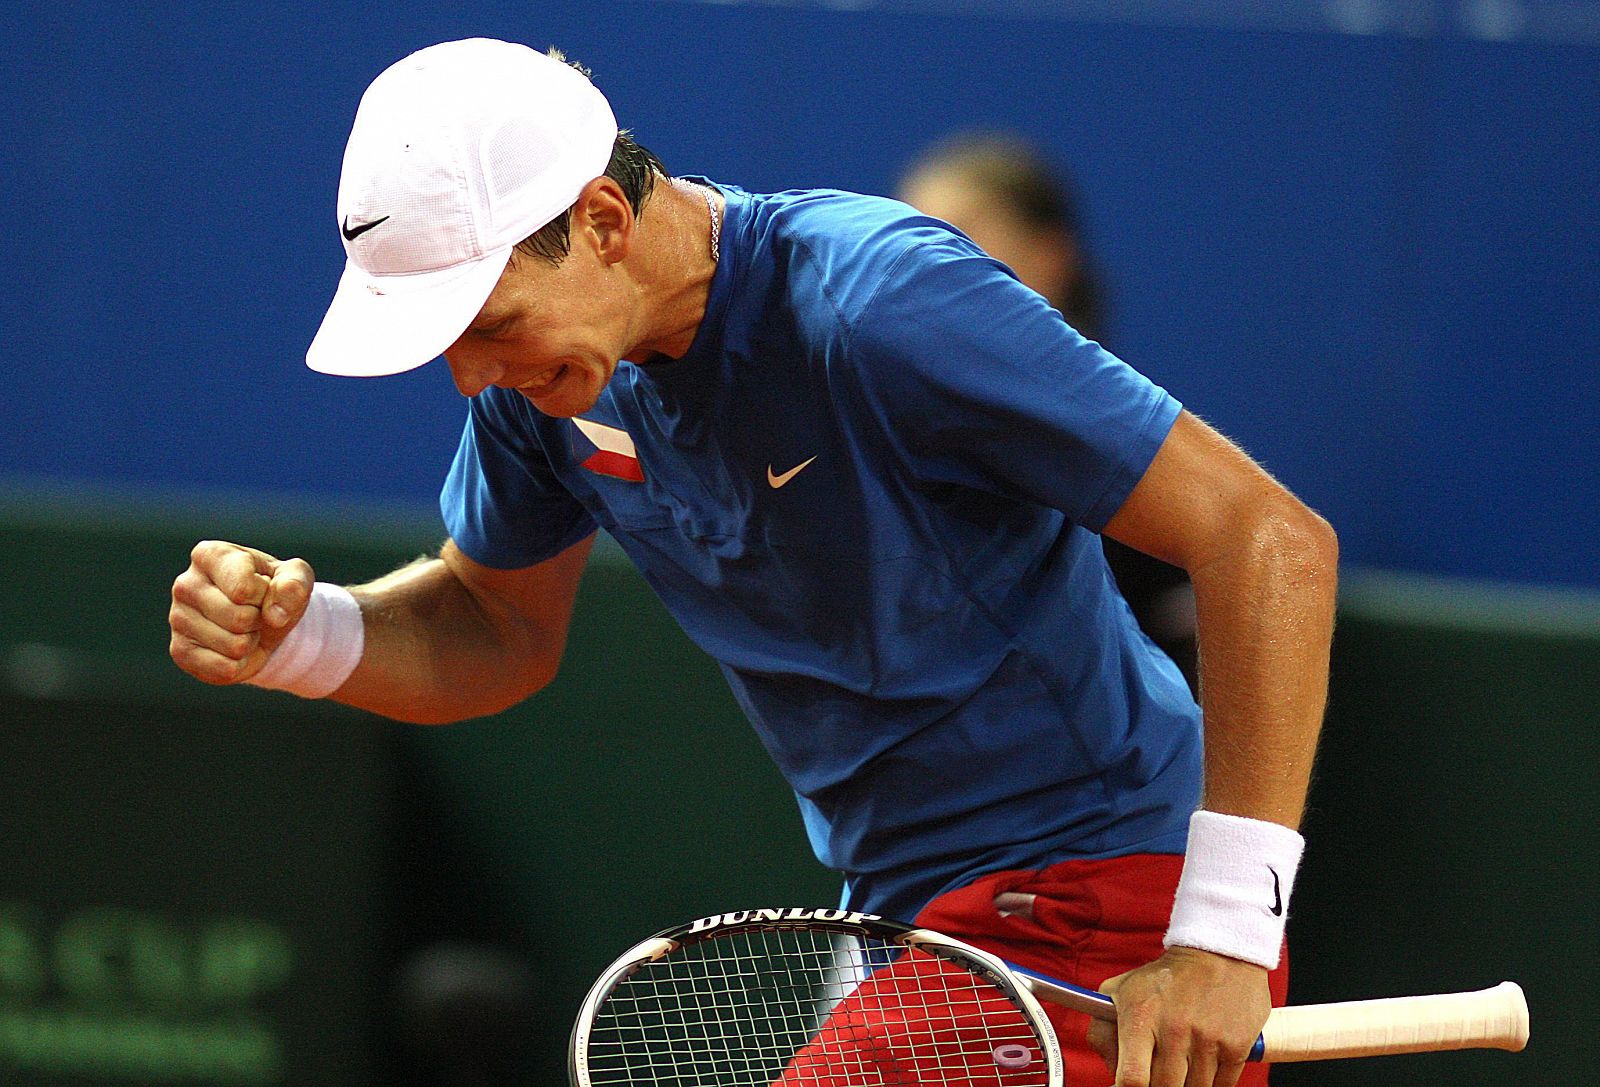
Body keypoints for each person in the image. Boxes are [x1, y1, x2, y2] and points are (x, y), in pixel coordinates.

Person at [168, 38, 1338, 1087]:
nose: (468, 374)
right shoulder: (546, 388)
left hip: (1094, 899)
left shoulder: (881, 304)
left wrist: (1225, 936)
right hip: (904, 922)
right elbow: (495, 628)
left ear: (604, 223)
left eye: (485, 321)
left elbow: (1270, 539)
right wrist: (305, 636)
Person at [896, 133, 1198, 694]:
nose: (927, 261)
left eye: (962, 231)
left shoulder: (1127, 443)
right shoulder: (886, 433)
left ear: (1051, 256)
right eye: (909, 231)